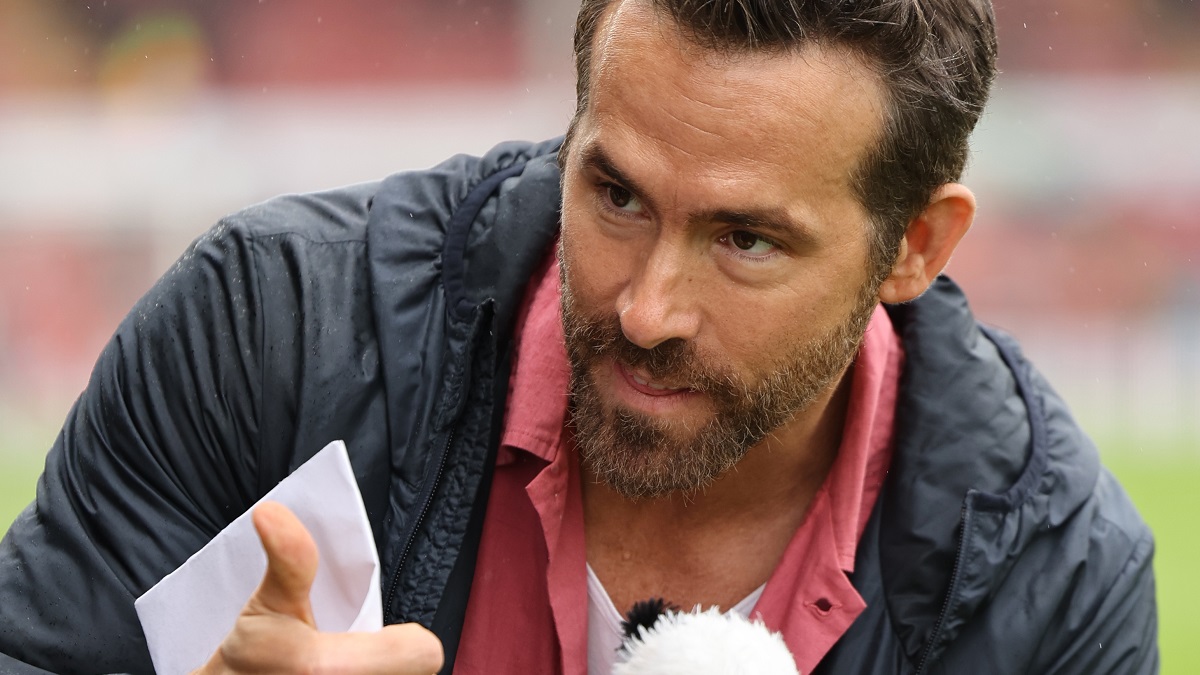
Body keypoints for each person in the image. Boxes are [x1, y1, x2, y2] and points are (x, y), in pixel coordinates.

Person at [0, 0, 1158, 673]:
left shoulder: (1048, 574)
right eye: (614, 194)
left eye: (747, 240)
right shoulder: (268, 330)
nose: (646, 308)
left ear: (914, 245)